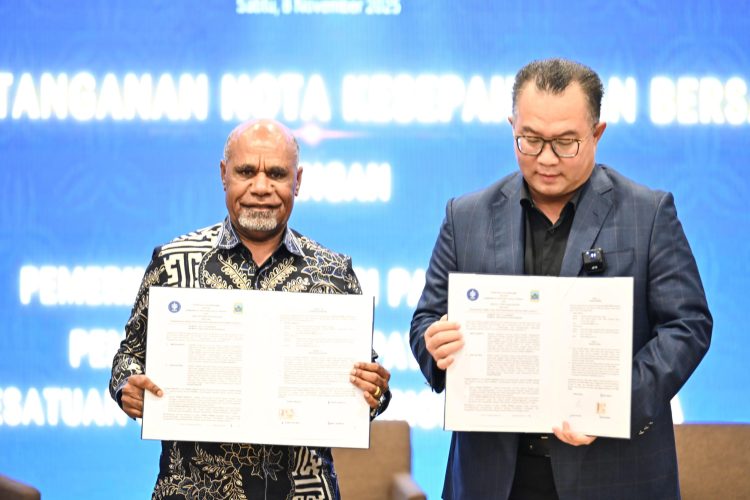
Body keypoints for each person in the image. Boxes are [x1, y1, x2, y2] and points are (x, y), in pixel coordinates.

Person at [409, 58, 712, 500]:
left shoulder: (647, 214)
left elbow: (688, 326)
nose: (547, 159)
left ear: (597, 133)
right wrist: (435, 346)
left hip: (613, 473)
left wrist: (615, 404)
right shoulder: (466, 216)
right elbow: (425, 323)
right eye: (530, 140)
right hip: (493, 476)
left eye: (566, 142)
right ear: (512, 127)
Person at [110, 118, 391, 500]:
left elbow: (369, 391)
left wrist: (374, 391)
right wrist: (127, 385)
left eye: (276, 173)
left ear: (297, 181)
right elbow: (128, 357)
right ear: (223, 175)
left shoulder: (333, 272)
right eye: (246, 172)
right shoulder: (173, 262)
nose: (261, 187)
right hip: (193, 490)